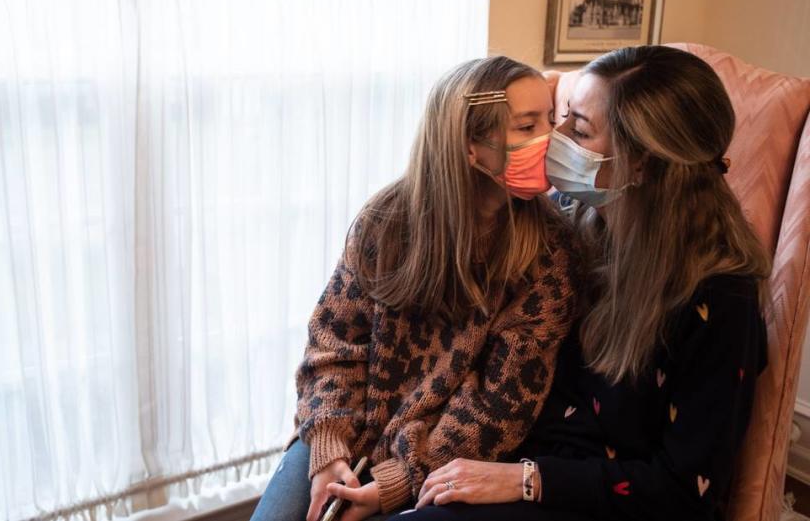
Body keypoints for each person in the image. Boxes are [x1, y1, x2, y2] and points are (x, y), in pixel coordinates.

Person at [401, 45, 769, 521]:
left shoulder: (720, 299)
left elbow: (687, 491)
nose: (554, 141)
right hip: (512, 461)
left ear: (641, 164)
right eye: (562, 119)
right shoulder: (572, 224)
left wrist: (528, 480)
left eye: (579, 130)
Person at [248, 56, 584, 521]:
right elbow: (333, 343)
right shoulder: (385, 223)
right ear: (470, 146)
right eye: (528, 127)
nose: (550, 140)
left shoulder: (552, 252)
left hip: (439, 463)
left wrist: (395, 483)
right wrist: (328, 452)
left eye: (550, 120)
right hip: (342, 433)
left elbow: (501, 407)